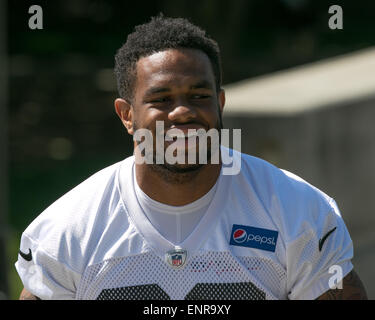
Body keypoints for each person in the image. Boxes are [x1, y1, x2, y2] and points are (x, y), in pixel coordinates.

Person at [15, 15, 367, 300]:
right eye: (162, 99)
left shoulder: (296, 210)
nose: (183, 112)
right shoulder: (69, 231)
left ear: (220, 103)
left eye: (199, 95)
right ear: (127, 115)